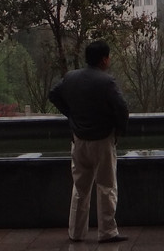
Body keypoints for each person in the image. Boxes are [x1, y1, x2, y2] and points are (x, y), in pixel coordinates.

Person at [48, 40, 130, 244]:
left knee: (80, 188)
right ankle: (108, 231)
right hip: (102, 140)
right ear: (104, 59)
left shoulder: (71, 77)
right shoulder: (106, 82)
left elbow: (54, 95)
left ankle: (76, 232)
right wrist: (118, 130)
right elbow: (122, 108)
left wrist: (71, 115)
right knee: (106, 186)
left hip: (79, 140)